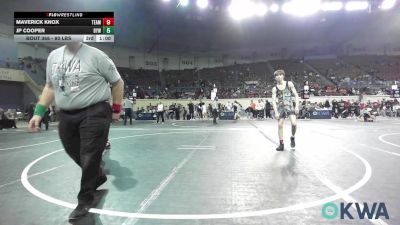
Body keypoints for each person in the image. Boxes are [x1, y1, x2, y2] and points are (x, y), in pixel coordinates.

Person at [29, 42, 124, 220]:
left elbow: (117, 82)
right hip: (66, 114)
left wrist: (116, 109)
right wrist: (38, 113)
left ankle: (85, 199)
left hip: (94, 110)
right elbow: (50, 86)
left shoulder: (97, 56)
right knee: (73, 150)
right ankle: (97, 175)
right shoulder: (53, 56)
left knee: (89, 154)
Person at [271, 69, 299, 151]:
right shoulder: (274, 88)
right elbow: (273, 100)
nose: (278, 76)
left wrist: (297, 106)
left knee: (294, 124)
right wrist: (276, 112)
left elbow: (296, 95)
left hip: (289, 106)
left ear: (283, 76)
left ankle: (292, 137)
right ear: (275, 78)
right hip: (281, 108)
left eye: (280, 75)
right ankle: (281, 144)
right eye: (276, 75)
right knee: (280, 125)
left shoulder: (289, 83)